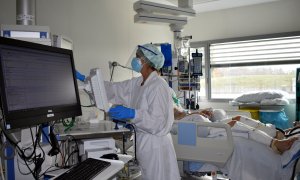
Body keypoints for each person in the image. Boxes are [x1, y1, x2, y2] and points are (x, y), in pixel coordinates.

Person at [105, 44, 180, 180]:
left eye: (138, 57)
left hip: (156, 146)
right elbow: (116, 89)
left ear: (146, 61)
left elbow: (157, 122)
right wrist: (88, 82)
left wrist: (133, 114)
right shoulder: (139, 82)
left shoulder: (158, 85)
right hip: (145, 145)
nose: (135, 60)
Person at [172, 101, 298, 154]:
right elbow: (175, 121)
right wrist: (196, 114)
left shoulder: (171, 99)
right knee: (235, 125)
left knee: (238, 118)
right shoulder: (163, 106)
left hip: (202, 123)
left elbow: (184, 113)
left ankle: (275, 133)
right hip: (199, 131)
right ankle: (275, 143)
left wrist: (201, 111)